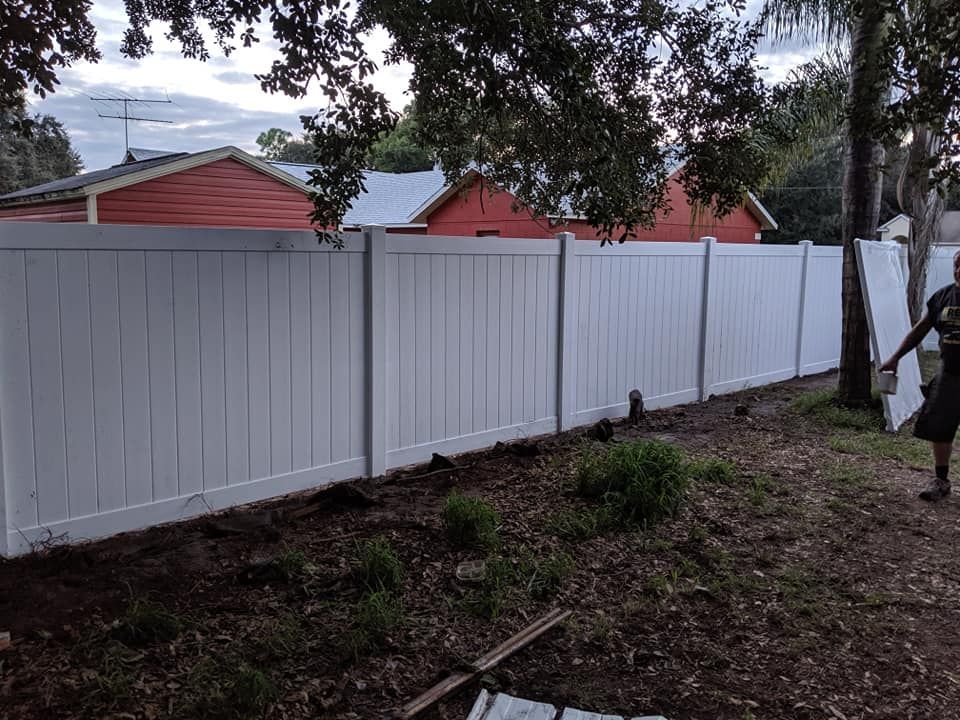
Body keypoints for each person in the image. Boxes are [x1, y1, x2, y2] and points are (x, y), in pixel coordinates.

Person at [880, 249, 960, 501]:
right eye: (957, 265)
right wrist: (895, 357)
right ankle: (941, 480)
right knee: (940, 428)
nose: (959, 270)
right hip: (949, 374)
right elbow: (921, 329)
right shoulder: (943, 296)